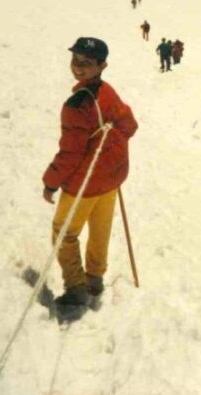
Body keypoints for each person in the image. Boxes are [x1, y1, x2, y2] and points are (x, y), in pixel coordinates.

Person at [43, 37, 138, 307]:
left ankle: (76, 288)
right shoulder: (107, 91)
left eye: (86, 63)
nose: (78, 67)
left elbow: (69, 153)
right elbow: (129, 125)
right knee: (101, 228)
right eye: (75, 60)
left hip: (83, 186)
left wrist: (50, 183)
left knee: (64, 232)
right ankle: (94, 276)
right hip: (111, 179)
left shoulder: (76, 106)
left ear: (102, 65)